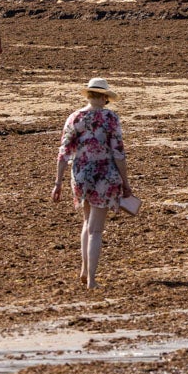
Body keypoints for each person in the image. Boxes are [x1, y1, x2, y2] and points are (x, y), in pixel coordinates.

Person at [52, 78, 132, 289]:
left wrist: (57, 182)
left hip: (80, 175)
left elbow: (64, 152)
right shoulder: (110, 118)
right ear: (105, 98)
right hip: (105, 175)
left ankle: (85, 270)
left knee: (87, 223)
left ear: (88, 95)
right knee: (96, 230)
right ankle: (92, 280)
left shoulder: (75, 117)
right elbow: (118, 153)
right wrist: (126, 183)